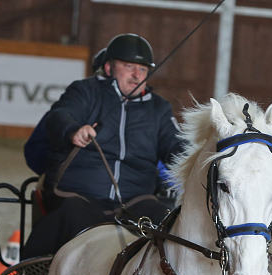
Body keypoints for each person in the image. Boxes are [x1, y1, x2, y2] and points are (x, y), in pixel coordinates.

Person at [21, 34, 184, 259]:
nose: (137, 75)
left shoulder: (159, 108)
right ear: (108, 68)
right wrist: (72, 130)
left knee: (172, 220)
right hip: (79, 195)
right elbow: (60, 115)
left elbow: (177, 148)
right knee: (69, 216)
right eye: (129, 67)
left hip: (136, 200)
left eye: (143, 69)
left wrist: (201, 157)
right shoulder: (85, 91)